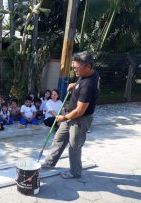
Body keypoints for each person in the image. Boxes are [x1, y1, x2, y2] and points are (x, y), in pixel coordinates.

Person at [42, 51, 99, 179]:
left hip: (80, 119)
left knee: (74, 146)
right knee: (59, 138)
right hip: (70, 115)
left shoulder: (89, 85)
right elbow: (81, 81)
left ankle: (75, 172)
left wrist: (64, 117)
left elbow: (80, 111)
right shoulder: (88, 74)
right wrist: (75, 85)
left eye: (76, 68)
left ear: (88, 66)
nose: (74, 71)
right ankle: (49, 163)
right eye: (73, 67)